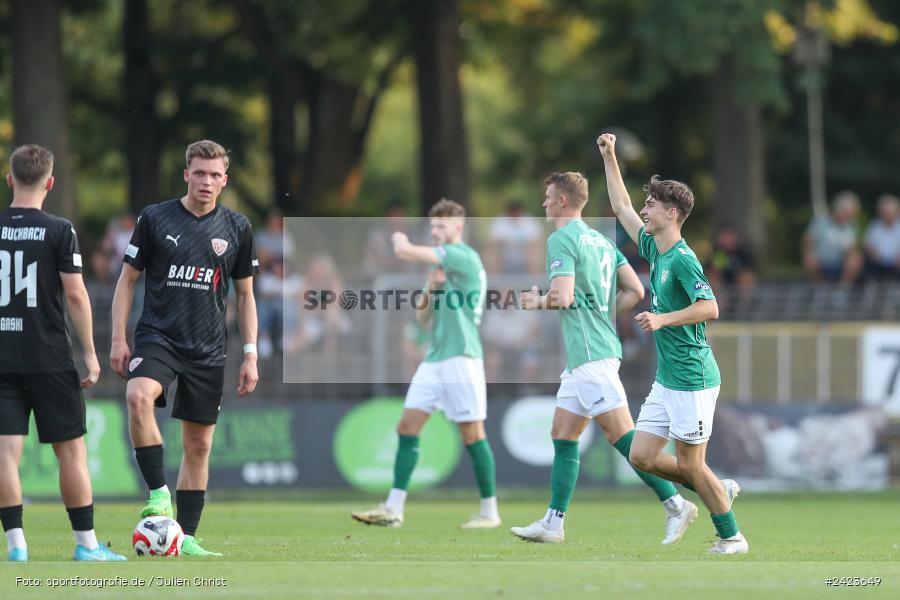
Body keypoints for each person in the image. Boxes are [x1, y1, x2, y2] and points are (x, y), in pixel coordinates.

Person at [509, 172, 695, 545]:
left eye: (548, 197)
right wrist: (602, 313)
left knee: (623, 437)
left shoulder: (562, 238)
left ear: (563, 200)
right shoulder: (600, 239)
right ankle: (553, 523)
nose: (544, 202)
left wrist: (535, 301)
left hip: (592, 356)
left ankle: (681, 499)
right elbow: (635, 289)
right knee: (562, 434)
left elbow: (561, 296)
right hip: (590, 354)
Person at [597, 133, 747, 554]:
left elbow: (710, 307)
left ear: (672, 213)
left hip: (693, 378)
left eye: (652, 205)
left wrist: (662, 318)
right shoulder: (654, 248)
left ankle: (731, 536)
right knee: (642, 456)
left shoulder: (682, 258)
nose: (644, 209)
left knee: (690, 465)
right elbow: (621, 207)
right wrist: (610, 157)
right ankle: (716, 487)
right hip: (669, 378)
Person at [110, 140, 259, 556]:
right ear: (186, 175)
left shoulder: (237, 228)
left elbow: (245, 297)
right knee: (138, 395)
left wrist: (250, 352)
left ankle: (186, 537)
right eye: (199, 173)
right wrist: (119, 338)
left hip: (208, 348)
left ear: (225, 180)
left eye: (215, 175)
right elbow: (127, 281)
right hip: (158, 337)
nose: (206, 182)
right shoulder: (155, 218)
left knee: (199, 446)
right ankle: (159, 493)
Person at [0, 145, 125, 561]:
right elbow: (75, 294)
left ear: (9, 178)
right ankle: (87, 545)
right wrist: (90, 352)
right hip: (49, 356)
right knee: (71, 452)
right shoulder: (59, 229)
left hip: (2, 357)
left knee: (4, 453)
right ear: (50, 182)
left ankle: (16, 545)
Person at [352, 199, 500, 529]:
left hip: (462, 358)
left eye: (442, 226)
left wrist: (398, 240)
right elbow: (421, 317)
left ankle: (489, 512)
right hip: (434, 359)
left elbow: (405, 252)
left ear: (459, 228)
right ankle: (393, 508)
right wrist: (432, 287)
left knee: (473, 435)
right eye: (432, 227)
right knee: (407, 427)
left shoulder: (463, 256)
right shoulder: (439, 269)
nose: (435, 231)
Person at [802, 191, 863, 284]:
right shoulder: (821, 222)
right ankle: (818, 287)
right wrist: (809, 254)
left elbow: (853, 247)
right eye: (848, 213)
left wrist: (850, 252)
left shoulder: (852, 226)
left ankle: (843, 287)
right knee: (810, 259)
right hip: (820, 260)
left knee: (855, 259)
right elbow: (808, 240)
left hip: (841, 262)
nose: (850, 217)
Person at [863, 194, 900, 280]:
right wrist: (872, 253)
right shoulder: (874, 226)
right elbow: (868, 245)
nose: (886, 215)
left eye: (889, 213)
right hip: (877, 262)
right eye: (884, 212)